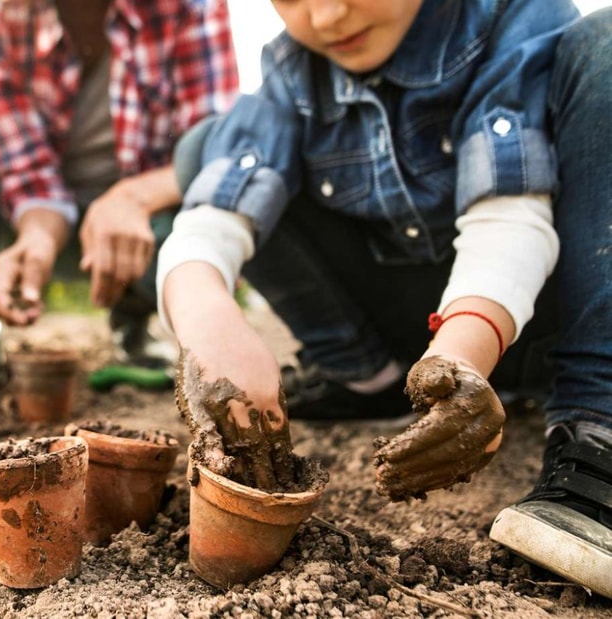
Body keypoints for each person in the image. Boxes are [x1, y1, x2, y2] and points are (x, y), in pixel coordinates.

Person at [161, 0, 612, 597]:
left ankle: (597, 424)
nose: (325, 16)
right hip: (417, 336)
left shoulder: (513, 18)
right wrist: (212, 322)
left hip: (546, 314)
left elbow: (510, 219)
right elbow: (209, 222)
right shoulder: (294, 71)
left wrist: (462, 356)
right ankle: (365, 377)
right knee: (207, 150)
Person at [0, 0, 239, 393]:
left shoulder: (190, 7)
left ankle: (133, 318)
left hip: (147, 225)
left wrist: (132, 200)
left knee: (199, 211)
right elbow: (27, 173)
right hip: (34, 222)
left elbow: (213, 151)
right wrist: (38, 236)